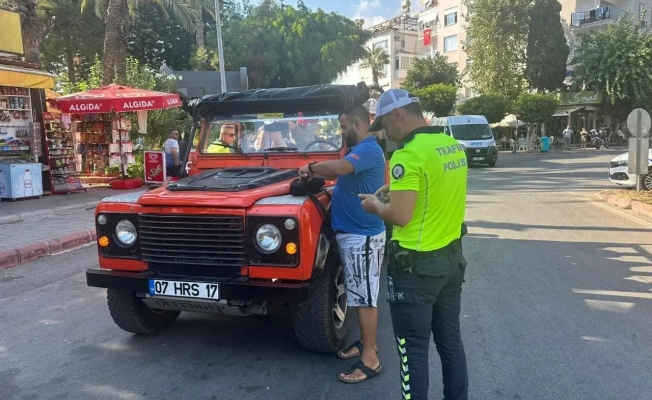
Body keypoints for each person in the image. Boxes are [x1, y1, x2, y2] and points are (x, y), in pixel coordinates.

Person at [358, 88, 469, 400]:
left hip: (414, 271)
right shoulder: (452, 146)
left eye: (385, 125)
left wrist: (376, 206)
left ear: (398, 115)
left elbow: (401, 216)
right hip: (451, 262)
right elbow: (433, 196)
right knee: (451, 344)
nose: (386, 133)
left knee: (413, 355)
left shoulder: (407, 154)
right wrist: (394, 190)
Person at [298, 104, 386, 385]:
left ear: (358, 125)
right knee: (361, 294)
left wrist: (310, 168)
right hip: (354, 235)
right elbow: (346, 178)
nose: (341, 131)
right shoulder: (362, 149)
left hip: (363, 237)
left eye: (344, 126)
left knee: (365, 298)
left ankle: (371, 359)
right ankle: (365, 344)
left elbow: (340, 168)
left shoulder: (368, 149)